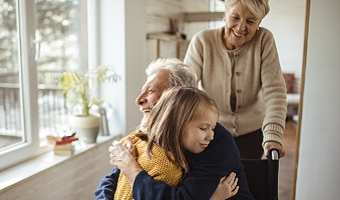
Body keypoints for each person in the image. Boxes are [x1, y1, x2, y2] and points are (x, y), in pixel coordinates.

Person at [94, 58, 254, 199]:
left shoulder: (215, 142)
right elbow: (113, 179)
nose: (139, 100)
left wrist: (131, 168)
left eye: (151, 91)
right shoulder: (152, 131)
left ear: (177, 99)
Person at [183, 0, 287, 159]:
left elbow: (275, 93)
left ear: (259, 23)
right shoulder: (202, 41)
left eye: (250, 21)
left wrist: (273, 136)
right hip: (212, 130)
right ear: (225, 15)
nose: (240, 27)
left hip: (252, 132)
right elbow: (185, 86)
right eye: (235, 18)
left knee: (247, 180)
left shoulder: (264, 40)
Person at [112, 86, 239, 200]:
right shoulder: (165, 165)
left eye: (212, 128)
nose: (211, 136)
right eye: (204, 128)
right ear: (178, 124)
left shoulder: (138, 144)